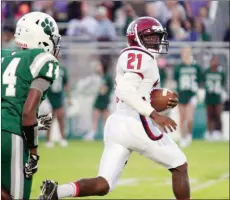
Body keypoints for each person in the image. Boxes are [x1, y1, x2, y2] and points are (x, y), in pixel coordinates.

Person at [39, 17, 190, 200]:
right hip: (137, 122)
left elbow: (137, 91)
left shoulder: (132, 55)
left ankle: (57, 192)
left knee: (104, 184)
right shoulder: (141, 56)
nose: (156, 41)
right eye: (151, 37)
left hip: (118, 123)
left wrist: (157, 98)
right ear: (137, 38)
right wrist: (155, 114)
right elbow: (126, 91)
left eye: (157, 37)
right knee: (180, 165)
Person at [1, 11, 61, 199]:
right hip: (11, 136)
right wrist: (34, 153)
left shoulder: (4, 55)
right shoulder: (43, 59)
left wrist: (34, 124)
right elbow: (28, 112)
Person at [174, 46, 203, 148]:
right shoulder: (179, 67)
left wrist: (197, 91)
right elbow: (176, 79)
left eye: (187, 52)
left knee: (189, 118)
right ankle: (182, 138)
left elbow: (200, 79)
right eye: (184, 52)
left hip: (192, 94)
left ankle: (189, 135)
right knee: (182, 118)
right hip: (181, 94)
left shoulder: (196, 66)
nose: (185, 54)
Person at [84, 58, 114, 140]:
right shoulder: (97, 76)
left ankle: (108, 136)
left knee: (106, 120)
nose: (97, 67)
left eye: (99, 65)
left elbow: (105, 90)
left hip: (105, 101)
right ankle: (92, 134)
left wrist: (99, 88)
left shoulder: (107, 77)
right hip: (98, 101)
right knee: (95, 119)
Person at [46, 57, 70, 147]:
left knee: (60, 117)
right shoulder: (47, 69)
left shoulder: (62, 70)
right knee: (49, 119)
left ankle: (63, 138)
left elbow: (66, 84)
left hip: (59, 96)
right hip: (49, 96)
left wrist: (68, 97)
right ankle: (48, 140)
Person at [204, 55, 226, 141]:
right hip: (209, 97)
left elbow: (223, 84)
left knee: (218, 115)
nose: (215, 62)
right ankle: (210, 133)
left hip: (218, 97)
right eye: (213, 60)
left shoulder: (221, 73)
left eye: (216, 60)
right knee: (210, 116)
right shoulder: (206, 72)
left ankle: (220, 132)